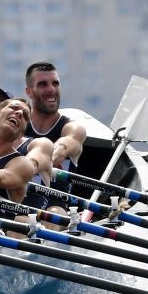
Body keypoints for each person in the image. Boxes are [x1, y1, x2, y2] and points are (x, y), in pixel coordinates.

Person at [23, 62, 87, 213]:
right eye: (43, 84)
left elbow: (62, 147)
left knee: (54, 213)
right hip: (18, 207)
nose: (51, 89)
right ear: (29, 92)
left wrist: (33, 165)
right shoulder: (19, 125)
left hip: (55, 210)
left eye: (55, 83)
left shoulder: (72, 128)